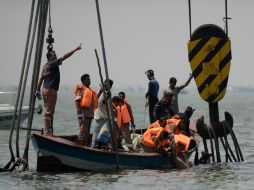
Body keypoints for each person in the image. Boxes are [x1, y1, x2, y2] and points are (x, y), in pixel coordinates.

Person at [36, 44, 82, 135]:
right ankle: (47, 131)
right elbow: (65, 57)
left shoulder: (45, 66)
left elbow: (41, 78)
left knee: (47, 110)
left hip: (45, 89)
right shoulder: (53, 64)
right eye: (54, 54)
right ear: (49, 57)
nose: (56, 55)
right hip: (51, 90)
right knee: (49, 112)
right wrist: (75, 49)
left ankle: (47, 130)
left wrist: (38, 90)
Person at [74, 74, 98, 146]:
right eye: (88, 80)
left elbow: (95, 100)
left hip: (89, 113)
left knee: (87, 130)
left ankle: (85, 145)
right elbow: (77, 100)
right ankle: (81, 145)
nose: (89, 81)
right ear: (83, 81)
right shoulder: (81, 88)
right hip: (83, 112)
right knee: (83, 130)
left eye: (89, 79)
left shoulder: (90, 90)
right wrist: (79, 112)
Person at [91, 79, 113, 148]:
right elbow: (94, 100)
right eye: (106, 84)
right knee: (94, 139)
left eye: (109, 85)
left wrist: (107, 97)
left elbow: (104, 102)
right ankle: (95, 148)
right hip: (98, 118)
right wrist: (100, 91)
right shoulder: (99, 91)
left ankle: (101, 146)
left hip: (106, 119)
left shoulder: (108, 94)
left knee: (104, 132)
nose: (107, 86)